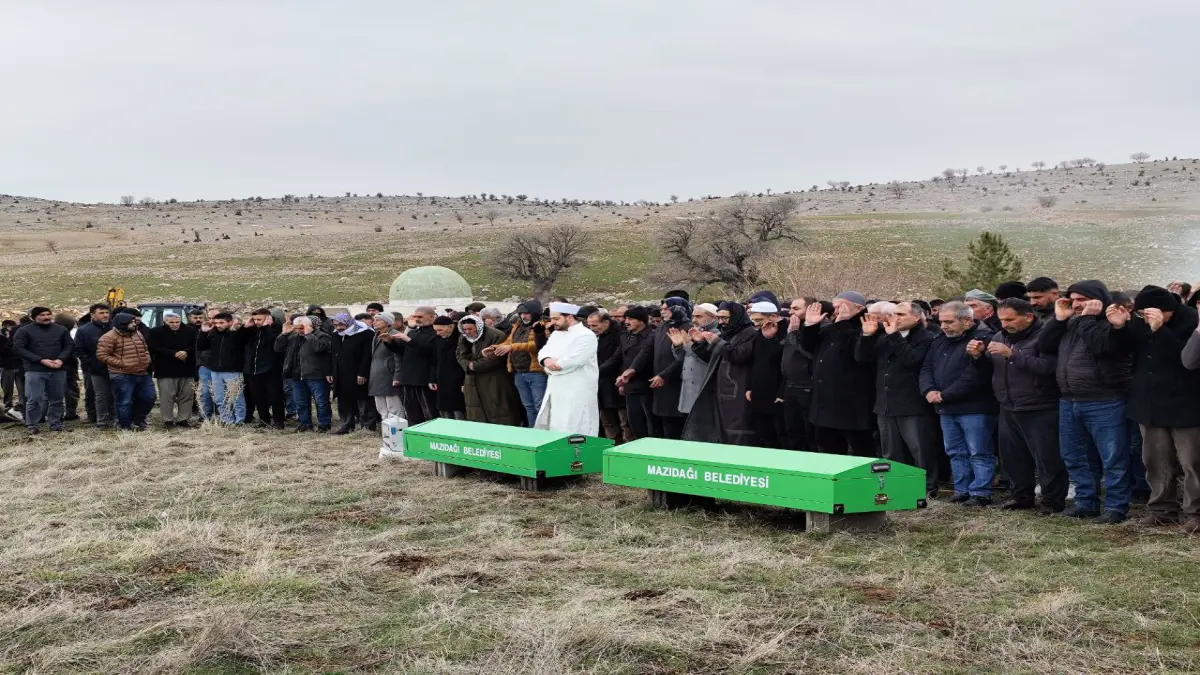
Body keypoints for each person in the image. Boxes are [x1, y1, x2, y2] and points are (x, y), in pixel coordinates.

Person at [1037, 280, 1132, 524]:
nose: (1077, 304)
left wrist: (1087, 318)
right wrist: (1059, 320)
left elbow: (1102, 347)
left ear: (1099, 299)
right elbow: (1043, 346)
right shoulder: (1070, 323)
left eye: (1082, 299)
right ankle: (1086, 503)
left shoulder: (1113, 323)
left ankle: (1116, 507)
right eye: (1073, 300)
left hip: (1105, 400)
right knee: (1075, 456)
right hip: (1069, 400)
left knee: (1113, 458)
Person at [1112, 286, 1200, 533]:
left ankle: (1195, 512)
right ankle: (1162, 510)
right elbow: (1119, 351)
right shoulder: (1139, 322)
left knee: (1192, 462)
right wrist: (1119, 328)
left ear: (1167, 309)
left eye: (1148, 313)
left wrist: (1160, 330)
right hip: (1149, 404)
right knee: (1156, 461)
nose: (1145, 318)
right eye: (1141, 314)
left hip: (1186, 404)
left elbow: (1187, 360)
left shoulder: (1191, 320)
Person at [984, 298, 1067, 514]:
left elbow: (1048, 367)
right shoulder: (1000, 336)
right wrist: (977, 355)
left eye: (1010, 319)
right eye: (1001, 320)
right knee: (1013, 457)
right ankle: (1021, 497)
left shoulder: (1044, 336)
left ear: (1028, 316)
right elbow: (991, 365)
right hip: (1008, 406)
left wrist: (1012, 354)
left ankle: (1052, 501)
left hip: (1040, 406)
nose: (1005, 324)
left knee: (1047, 458)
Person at [856, 301, 940, 497]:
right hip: (885, 403)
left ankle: (927, 487)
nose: (895, 318)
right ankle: (896, 486)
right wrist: (867, 336)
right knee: (891, 451)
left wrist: (894, 336)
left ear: (916, 317)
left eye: (901, 314)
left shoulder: (927, 338)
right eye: (893, 314)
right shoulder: (886, 336)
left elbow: (911, 360)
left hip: (912, 403)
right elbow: (862, 359)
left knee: (920, 449)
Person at [921, 301, 998, 506]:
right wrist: (928, 390)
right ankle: (962, 489)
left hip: (975, 407)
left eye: (949, 322)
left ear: (967, 320)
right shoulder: (940, 340)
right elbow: (927, 367)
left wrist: (945, 395)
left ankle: (981, 492)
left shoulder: (982, 339)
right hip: (946, 407)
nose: (944, 326)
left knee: (979, 451)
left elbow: (976, 376)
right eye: (941, 322)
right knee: (955, 451)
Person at [802, 292, 877, 456]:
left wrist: (842, 323)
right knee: (829, 451)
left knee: (862, 452)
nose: (835, 310)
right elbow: (809, 347)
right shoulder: (832, 328)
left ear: (859, 308)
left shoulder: (866, 327)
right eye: (834, 307)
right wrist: (810, 326)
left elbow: (862, 356)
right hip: (825, 404)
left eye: (840, 306)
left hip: (852, 405)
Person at [678, 301, 756, 445]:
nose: (721, 322)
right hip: (721, 393)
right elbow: (712, 359)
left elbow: (739, 355)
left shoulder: (750, 334)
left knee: (738, 435)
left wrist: (716, 341)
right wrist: (700, 343)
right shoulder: (726, 333)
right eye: (719, 318)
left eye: (725, 318)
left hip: (737, 393)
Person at [627, 297, 692, 439]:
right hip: (660, 385)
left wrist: (664, 375)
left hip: (677, 383)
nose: (663, 312)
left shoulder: (687, 327)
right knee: (661, 426)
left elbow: (685, 358)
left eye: (666, 309)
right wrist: (633, 368)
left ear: (677, 309)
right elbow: (647, 349)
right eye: (662, 309)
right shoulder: (663, 326)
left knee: (676, 427)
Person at [534, 302, 600, 434]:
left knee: (576, 425)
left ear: (569, 317)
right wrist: (546, 360)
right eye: (552, 319)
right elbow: (544, 351)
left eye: (556, 318)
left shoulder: (585, 335)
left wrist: (553, 366)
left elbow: (575, 360)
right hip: (556, 388)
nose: (552, 322)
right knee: (556, 425)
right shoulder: (556, 334)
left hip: (576, 389)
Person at [11, 307, 73, 435]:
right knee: (35, 399)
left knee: (57, 398)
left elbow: (69, 345)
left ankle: (55, 423)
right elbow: (18, 348)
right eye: (42, 315)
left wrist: (61, 359)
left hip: (57, 369)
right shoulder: (24, 331)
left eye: (48, 314)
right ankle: (32, 425)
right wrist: (40, 360)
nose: (46, 317)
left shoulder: (60, 330)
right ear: (34, 317)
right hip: (35, 370)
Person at [485, 300, 547, 427]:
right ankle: (533, 431)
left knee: (540, 406)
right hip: (518, 372)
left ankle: (544, 432)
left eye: (526, 313)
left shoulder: (542, 326)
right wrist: (495, 348)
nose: (523, 316)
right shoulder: (517, 326)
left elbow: (536, 345)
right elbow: (509, 341)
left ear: (535, 313)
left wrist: (512, 347)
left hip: (536, 372)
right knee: (528, 406)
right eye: (521, 314)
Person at [456, 315, 523, 425]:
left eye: (470, 329)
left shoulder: (496, 335)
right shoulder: (463, 338)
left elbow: (496, 357)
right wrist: (468, 365)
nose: (467, 332)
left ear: (478, 326)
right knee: (477, 412)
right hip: (472, 379)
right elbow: (459, 355)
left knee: (499, 409)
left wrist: (475, 365)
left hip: (494, 379)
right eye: (465, 329)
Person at [381, 306, 440, 425]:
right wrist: (389, 342)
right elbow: (403, 351)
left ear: (432, 317)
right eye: (415, 316)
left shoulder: (435, 334)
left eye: (420, 317)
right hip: (409, 378)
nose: (417, 319)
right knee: (412, 412)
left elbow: (429, 352)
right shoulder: (413, 332)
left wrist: (408, 339)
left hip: (424, 379)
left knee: (429, 411)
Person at [97, 312, 156, 430]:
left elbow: (145, 349)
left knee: (149, 397)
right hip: (122, 375)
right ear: (123, 324)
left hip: (142, 372)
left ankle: (139, 420)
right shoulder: (109, 337)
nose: (135, 324)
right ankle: (125, 425)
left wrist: (147, 360)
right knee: (124, 402)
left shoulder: (137, 333)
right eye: (131, 322)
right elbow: (102, 355)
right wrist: (122, 363)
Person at [275, 316, 332, 432]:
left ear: (309, 326)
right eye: (296, 328)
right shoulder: (293, 337)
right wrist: (284, 334)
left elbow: (319, 348)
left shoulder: (322, 336)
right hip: (297, 375)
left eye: (301, 328)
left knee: (321, 402)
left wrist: (309, 335)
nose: (298, 331)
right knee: (300, 402)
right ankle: (305, 424)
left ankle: (324, 424)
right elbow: (278, 348)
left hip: (316, 375)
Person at [197, 312, 247, 426]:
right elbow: (201, 346)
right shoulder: (213, 333)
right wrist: (203, 332)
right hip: (215, 371)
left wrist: (234, 331)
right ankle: (227, 420)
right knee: (219, 398)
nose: (218, 325)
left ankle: (239, 421)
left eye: (221, 323)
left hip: (233, 371)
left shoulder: (238, 333)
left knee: (236, 397)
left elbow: (240, 343)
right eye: (216, 323)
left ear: (230, 322)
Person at [148, 312, 197, 428]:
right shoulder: (156, 332)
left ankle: (183, 419)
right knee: (167, 396)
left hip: (186, 368)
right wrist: (173, 353)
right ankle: (168, 420)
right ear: (165, 322)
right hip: (165, 369)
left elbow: (196, 345)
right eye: (171, 322)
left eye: (177, 322)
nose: (175, 324)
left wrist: (186, 352)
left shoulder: (191, 331)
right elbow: (153, 347)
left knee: (187, 395)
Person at [747, 302, 786, 448]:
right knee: (762, 433)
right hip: (759, 391)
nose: (756, 324)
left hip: (777, 393)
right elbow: (755, 362)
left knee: (779, 435)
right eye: (753, 320)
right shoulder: (758, 333)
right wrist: (750, 387)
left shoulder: (787, 331)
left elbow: (784, 363)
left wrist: (782, 392)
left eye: (759, 320)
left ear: (773, 316)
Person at [780, 297, 816, 450]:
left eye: (796, 309)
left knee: (810, 433)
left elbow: (809, 352)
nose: (790, 312)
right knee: (793, 431)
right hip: (790, 386)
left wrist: (794, 333)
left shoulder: (816, 329)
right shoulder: (793, 327)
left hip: (807, 387)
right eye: (791, 308)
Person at [328, 313, 373, 434]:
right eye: (336, 325)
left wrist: (363, 373)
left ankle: (367, 426)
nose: (338, 327)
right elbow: (333, 355)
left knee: (363, 400)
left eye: (341, 324)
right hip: (341, 374)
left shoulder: (365, 333)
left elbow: (367, 355)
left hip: (357, 373)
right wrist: (331, 372)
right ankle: (346, 425)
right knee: (344, 400)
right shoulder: (336, 335)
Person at [616, 307, 656, 439]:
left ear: (641, 321)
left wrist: (632, 370)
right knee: (635, 424)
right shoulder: (625, 337)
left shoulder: (652, 335)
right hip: (630, 386)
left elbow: (645, 355)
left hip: (647, 386)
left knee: (651, 425)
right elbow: (619, 359)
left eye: (630, 319)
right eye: (626, 318)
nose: (626, 322)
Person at [73, 303, 115, 429]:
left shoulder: (115, 327)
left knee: (115, 393)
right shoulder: (84, 330)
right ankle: (99, 419)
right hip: (95, 368)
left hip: (116, 367)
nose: (105, 315)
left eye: (107, 312)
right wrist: (90, 362)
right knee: (99, 395)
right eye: (101, 313)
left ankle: (114, 418)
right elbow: (78, 349)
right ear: (92, 315)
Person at [589, 309, 627, 442]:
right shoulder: (594, 336)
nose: (592, 328)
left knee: (625, 422)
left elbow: (618, 358)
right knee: (608, 422)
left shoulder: (620, 335)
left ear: (606, 323)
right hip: (601, 384)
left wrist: (597, 371)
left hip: (617, 382)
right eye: (590, 325)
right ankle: (612, 447)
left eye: (595, 325)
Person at [368, 313, 405, 420]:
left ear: (387, 322)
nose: (374, 322)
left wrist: (397, 376)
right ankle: (386, 428)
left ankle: (398, 428)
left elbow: (398, 357)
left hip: (389, 374)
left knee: (394, 406)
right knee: (381, 407)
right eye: (374, 320)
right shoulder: (376, 335)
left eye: (378, 320)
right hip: (377, 375)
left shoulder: (395, 335)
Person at [431, 316, 467, 419]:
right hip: (442, 379)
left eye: (440, 330)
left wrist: (465, 382)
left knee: (458, 410)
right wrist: (432, 378)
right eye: (436, 330)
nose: (438, 333)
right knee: (444, 410)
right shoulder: (438, 339)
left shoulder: (462, 338)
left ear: (451, 326)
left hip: (458, 379)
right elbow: (434, 360)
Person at [55, 312, 82, 421]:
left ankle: (58, 413)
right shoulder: (66, 335)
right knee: (70, 391)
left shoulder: (51, 334)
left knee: (56, 392)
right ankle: (70, 413)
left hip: (57, 367)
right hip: (68, 367)